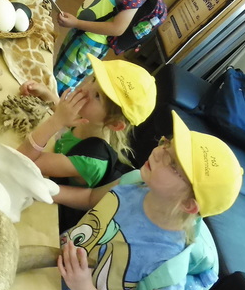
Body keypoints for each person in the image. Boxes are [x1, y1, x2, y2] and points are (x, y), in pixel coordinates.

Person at [55, 110, 243, 290]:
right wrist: (48, 189)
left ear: (189, 204)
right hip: (55, 267)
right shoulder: (135, 182)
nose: (157, 152)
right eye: (166, 143)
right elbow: (90, 198)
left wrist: (84, 289)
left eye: (172, 163)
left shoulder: (168, 266)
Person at [18, 55, 156, 190]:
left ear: (114, 124)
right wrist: (46, 94)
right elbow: (71, 118)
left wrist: (56, 121)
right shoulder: (92, 121)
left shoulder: (90, 162)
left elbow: (23, 160)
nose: (84, 90)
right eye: (94, 80)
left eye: (97, 96)